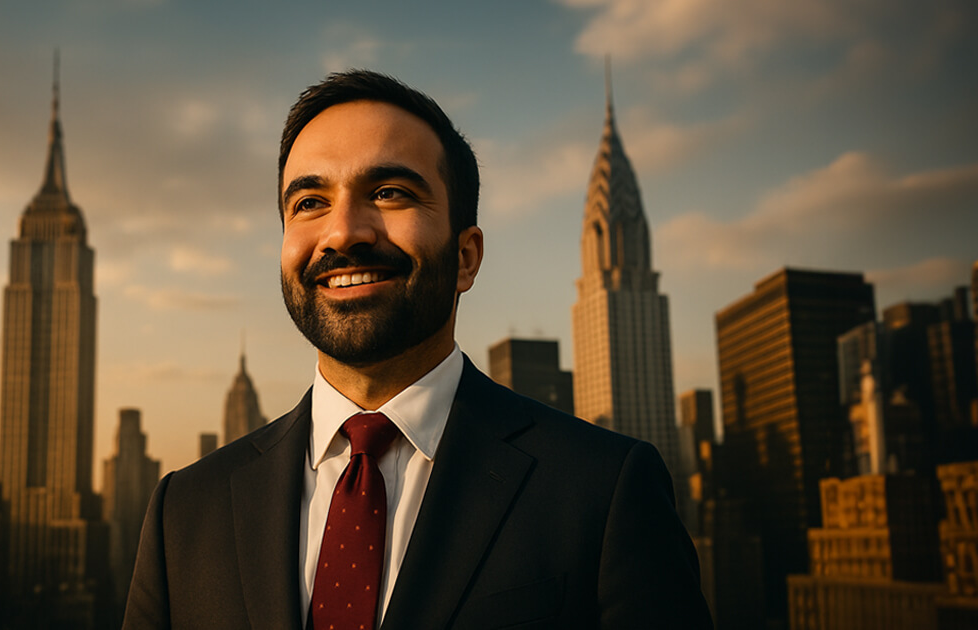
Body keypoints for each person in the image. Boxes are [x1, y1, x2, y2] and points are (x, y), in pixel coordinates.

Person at [123, 70, 712, 629]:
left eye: (389, 191)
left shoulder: (604, 491)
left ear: (466, 256)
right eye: (309, 202)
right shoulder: (185, 512)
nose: (343, 231)